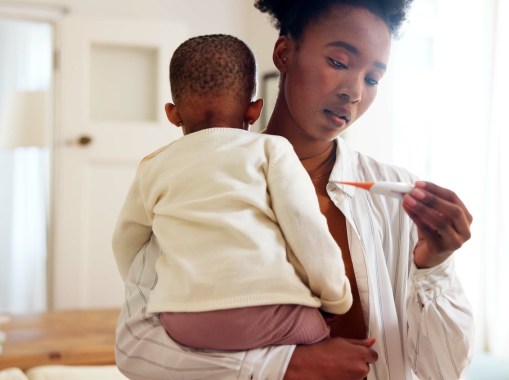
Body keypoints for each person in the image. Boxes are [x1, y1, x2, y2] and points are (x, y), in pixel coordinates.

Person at [115, 1, 475, 379]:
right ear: (284, 53)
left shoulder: (393, 201)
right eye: (338, 62)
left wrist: (435, 265)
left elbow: (442, 368)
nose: (353, 92)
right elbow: (136, 346)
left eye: (372, 79)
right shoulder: (196, 182)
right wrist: (283, 367)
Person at [112, 34, 352, 351]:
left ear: (172, 113)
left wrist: (158, 288)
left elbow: (126, 242)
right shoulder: (272, 150)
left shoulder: (154, 165)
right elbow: (305, 227)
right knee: (322, 343)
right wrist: (335, 297)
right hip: (267, 309)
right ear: (254, 111)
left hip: (184, 322)